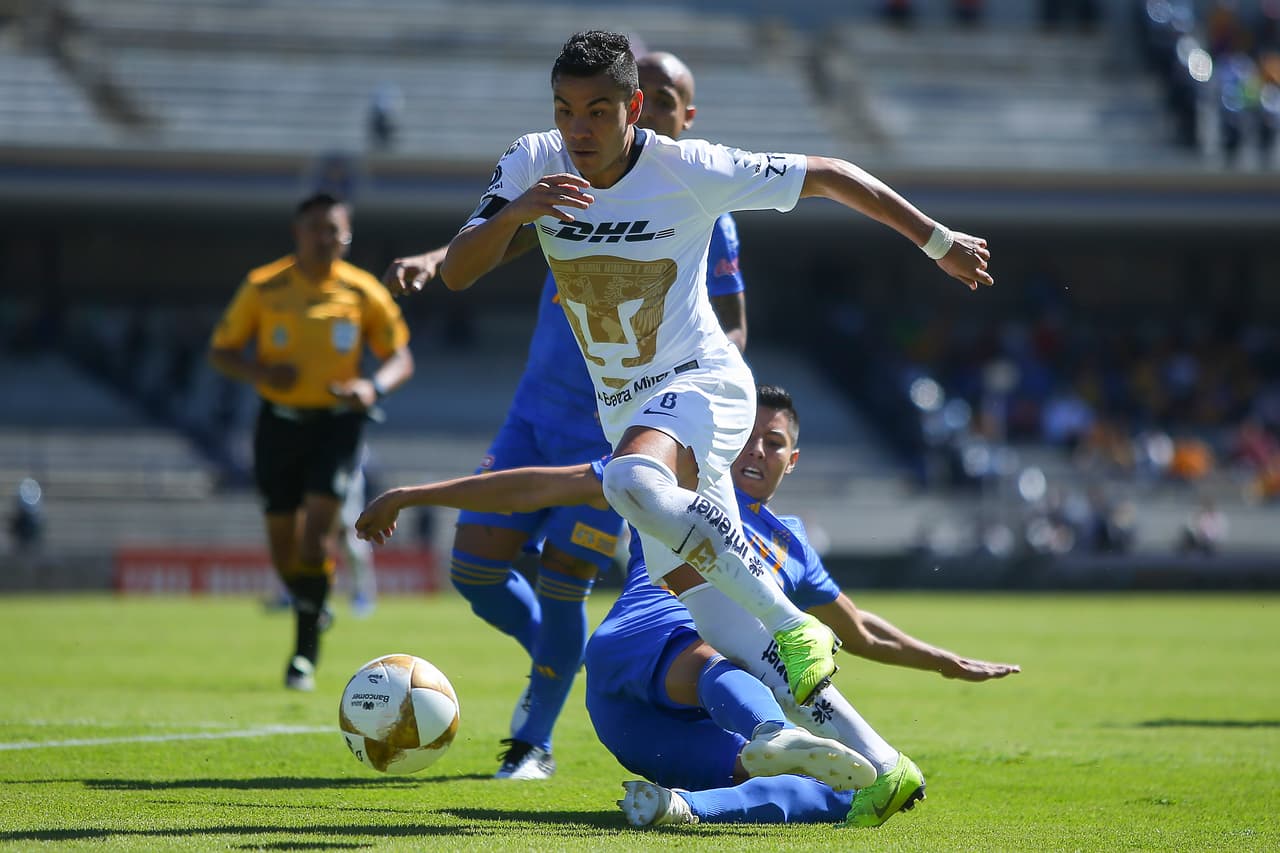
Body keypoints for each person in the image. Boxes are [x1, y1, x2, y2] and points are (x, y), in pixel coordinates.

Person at [420, 31, 994, 713]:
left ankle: (540, 734)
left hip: (682, 397)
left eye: (598, 110)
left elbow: (830, 179)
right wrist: (519, 211)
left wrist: (939, 242)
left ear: (637, 110)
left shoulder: (691, 174)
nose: (578, 127)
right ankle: (865, 756)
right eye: (564, 109)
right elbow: (457, 270)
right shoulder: (533, 163)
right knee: (710, 611)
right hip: (599, 407)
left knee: (602, 534)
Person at [356, 384, 1019, 826]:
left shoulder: (792, 546)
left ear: (794, 457)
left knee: (843, 795)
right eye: (747, 437)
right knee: (714, 643)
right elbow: (532, 487)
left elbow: (858, 628)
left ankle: (684, 808)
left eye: (774, 442)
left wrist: (945, 662)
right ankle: (770, 733)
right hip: (642, 647)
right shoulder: (669, 476)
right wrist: (414, 494)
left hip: (647, 730)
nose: (756, 451)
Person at [382, 49, 748, 779]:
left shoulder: (698, 199)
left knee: (564, 581)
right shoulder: (571, 178)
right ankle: (560, 655)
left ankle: (533, 741)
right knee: (474, 569)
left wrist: (690, 403)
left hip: (620, 429)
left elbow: (733, 328)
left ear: (667, 113)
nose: (653, 106)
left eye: (666, 97)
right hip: (534, 409)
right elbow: (505, 234)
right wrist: (434, 256)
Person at [209, 192, 414, 691]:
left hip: (337, 424)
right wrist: (260, 371)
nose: (325, 238)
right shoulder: (264, 286)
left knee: (317, 534)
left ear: (347, 237)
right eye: (315, 228)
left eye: (334, 230)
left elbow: (400, 357)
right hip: (277, 423)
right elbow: (222, 351)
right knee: (283, 549)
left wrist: (372, 386)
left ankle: (303, 654)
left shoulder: (363, 292)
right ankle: (314, 602)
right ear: (297, 233)